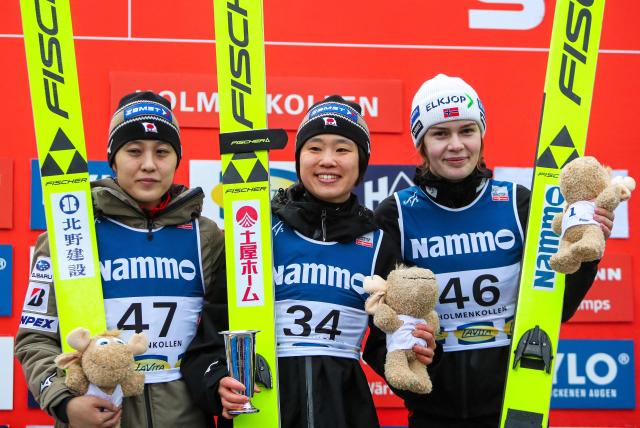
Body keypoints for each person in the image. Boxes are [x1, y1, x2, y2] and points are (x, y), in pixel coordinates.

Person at [363, 74, 615, 427]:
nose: (456, 145)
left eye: (467, 130)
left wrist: (587, 253)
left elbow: (558, 304)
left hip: (514, 405)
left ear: (482, 134)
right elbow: (375, 335)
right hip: (431, 415)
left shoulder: (517, 204)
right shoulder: (396, 214)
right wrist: (420, 366)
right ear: (421, 144)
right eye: (440, 134)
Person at [180, 95, 407, 428]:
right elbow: (211, 336)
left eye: (343, 149)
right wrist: (216, 383)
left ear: (361, 162)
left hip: (344, 413)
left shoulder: (377, 243)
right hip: (264, 411)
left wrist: (415, 353)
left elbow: (387, 345)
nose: (328, 160)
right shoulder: (256, 234)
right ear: (298, 158)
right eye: (314, 148)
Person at [15, 91, 225, 428]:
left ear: (176, 159)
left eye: (162, 152)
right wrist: (65, 402)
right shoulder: (73, 233)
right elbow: (35, 336)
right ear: (113, 159)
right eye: (133, 151)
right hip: (103, 418)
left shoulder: (208, 236)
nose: (148, 164)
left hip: (186, 418)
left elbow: (221, 332)